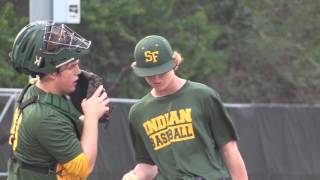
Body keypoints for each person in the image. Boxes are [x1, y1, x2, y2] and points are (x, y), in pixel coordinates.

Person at [122, 35, 248, 180]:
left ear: (174, 63)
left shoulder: (202, 96)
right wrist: (134, 175)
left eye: (161, 71)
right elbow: (148, 164)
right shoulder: (138, 113)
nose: (156, 79)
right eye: (149, 74)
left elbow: (229, 149)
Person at [7, 21, 109, 180]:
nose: (79, 72)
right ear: (51, 73)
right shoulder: (45, 117)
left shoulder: (35, 87)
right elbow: (84, 168)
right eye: (71, 66)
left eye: (78, 64)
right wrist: (91, 118)